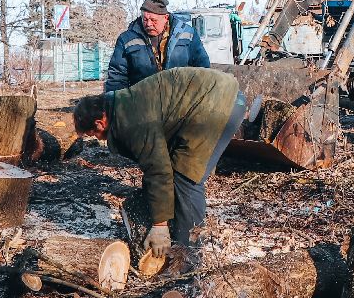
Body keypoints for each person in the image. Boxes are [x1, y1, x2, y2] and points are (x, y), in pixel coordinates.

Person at [73, 66, 248, 271]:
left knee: (186, 177)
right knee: (178, 171)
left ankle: (188, 262)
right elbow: (152, 163)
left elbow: (158, 169)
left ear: (100, 123)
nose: (97, 139)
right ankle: (179, 239)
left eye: (93, 134)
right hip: (212, 100)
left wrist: (159, 226)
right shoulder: (120, 106)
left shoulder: (130, 121)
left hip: (218, 103)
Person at [103, 0, 210, 93]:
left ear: (166, 17)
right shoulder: (126, 39)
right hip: (142, 104)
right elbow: (117, 77)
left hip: (180, 102)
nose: (148, 24)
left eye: (153, 20)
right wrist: (114, 104)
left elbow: (203, 69)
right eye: (145, 19)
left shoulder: (188, 34)